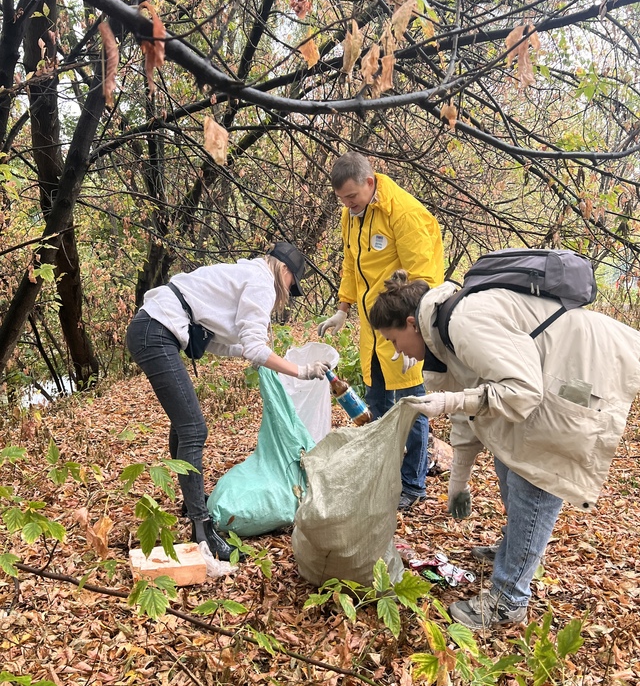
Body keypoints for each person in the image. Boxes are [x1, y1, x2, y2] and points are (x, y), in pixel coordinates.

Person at [370, 269, 640, 629]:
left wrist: (450, 400)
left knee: (534, 473)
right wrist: (458, 482)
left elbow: (522, 392)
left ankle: (508, 599)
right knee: (507, 453)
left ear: (410, 323)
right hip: (551, 374)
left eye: (392, 339)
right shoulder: (444, 334)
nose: (394, 350)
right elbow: (472, 417)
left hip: (582, 368)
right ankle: (515, 550)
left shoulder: (464, 322)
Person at [126, 242, 330, 561]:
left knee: (185, 428)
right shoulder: (262, 282)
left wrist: (253, 355)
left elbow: (218, 344)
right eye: (293, 284)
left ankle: (191, 503)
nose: (289, 291)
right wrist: (301, 370)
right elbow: (255, 346)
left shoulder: (244, 275)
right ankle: (202, 528)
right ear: (285, 271)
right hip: (156, 331)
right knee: (194, 429)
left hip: (151, 328)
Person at [318, 151, 444, 511]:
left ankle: (412, 485)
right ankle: (381, 474)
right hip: (373, 333)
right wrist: (344, 308)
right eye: (341, 199)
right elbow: (351, 264)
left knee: (410, 408)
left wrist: (416, 335)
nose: (347, 205)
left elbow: (426, 280)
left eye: (352, 197)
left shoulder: (403, 213)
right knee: (375, 406)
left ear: (369, 183)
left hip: (403, 330)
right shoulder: (351, 215)